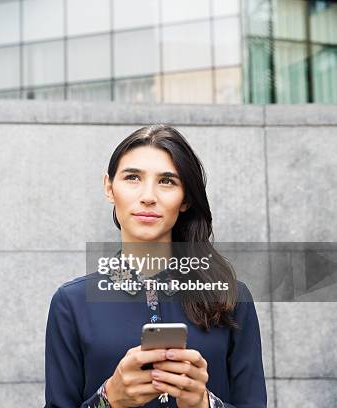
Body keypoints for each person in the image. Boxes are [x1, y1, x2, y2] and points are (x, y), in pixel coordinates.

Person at [44, 125, 267, 408]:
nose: (148, 196)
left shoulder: (231, 297)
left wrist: (203, 403)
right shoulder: (71, 303)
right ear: (109, 187)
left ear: (185, 199)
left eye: (167, 181)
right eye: (133, 177)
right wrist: (109, 399)